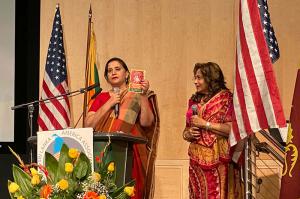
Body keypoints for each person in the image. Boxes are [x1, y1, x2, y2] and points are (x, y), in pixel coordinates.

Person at [84, 57, 160, 199]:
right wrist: (109, 103)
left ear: (127, 74)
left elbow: (146, 123)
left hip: (129, 153)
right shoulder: (100, 98)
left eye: (117, 69)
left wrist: (143, 96)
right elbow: (88, 125)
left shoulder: (137, 95)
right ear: (106, 77)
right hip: (103, 153)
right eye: (109, 71)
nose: (113, 72)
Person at [183, 62, 243, 199]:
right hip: (196, 159)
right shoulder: (194, 101)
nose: (195, 82)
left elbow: (231, 129)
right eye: (195, 78)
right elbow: (185, 131)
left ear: (210, 78)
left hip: (218, 160)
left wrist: (206, 124)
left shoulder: (226, 99)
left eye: (199, 78)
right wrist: (188, 133)